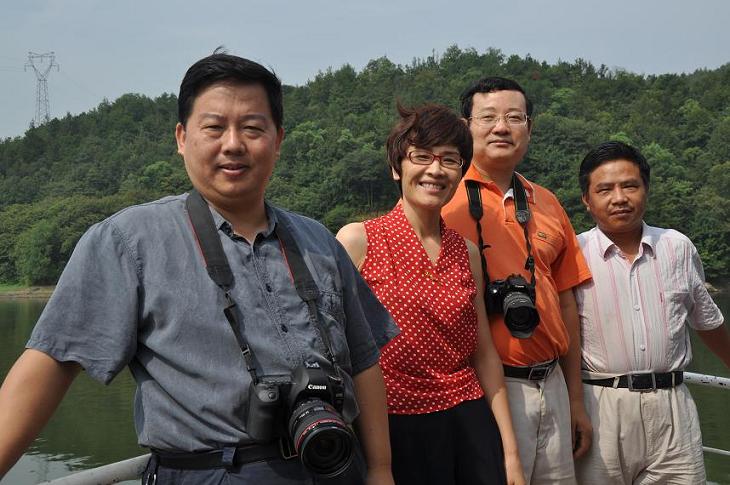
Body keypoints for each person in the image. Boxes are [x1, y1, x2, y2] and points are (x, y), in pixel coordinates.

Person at [0, 51, 399, 485]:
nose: (233, 144)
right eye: (214, 127)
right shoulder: (129, 241)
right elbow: (51, 364)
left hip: (334, 464)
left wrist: (380, 470)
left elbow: (364, 362)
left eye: (252, 128)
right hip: (211, 472)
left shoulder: (318, 241)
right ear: (181, 137)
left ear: (278, 140)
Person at [337, 103, 525, 485]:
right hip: (392, 426)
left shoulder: (466, 252)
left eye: (449, 160)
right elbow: (339, 351)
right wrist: (377, 466)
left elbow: (484, 353)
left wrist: (510, 454)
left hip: (469, 421)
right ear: (397, 167)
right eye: (421, 156)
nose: (435, 170)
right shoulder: (359, 241)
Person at [441, 77, 593, 484]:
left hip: (552, 383)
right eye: (488, 117)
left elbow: (566, 303)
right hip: (483, 389)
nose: (501, 128)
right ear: (465, 126)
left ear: (530, 127)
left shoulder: (547, 202)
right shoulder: (442, 200)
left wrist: (576, 399)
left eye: (514, 117)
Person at [574, 140, 729, 484]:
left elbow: (707, 321)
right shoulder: (572, 253)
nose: (619, 198)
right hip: (600, 406)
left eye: (630, 186)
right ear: (586, 199)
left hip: (672, 408)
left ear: (646, 189)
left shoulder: (677, 246)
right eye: (605, 189)